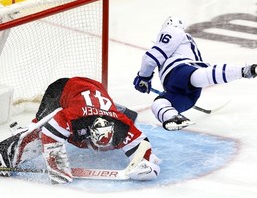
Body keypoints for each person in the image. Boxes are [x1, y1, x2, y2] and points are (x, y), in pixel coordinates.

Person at [0, 77, 161, 184]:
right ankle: (4, 155)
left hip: (96, 90)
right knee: (39, 130)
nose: (100, 149)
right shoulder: (76, 118)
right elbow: (49, 133)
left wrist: (146, 165)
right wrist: (58, 169)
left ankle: (119, 108)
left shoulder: (121, 125)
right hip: (62, 90)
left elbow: (143, 148)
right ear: (90, 131)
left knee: (130, 118)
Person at [133, 16, 257, 131]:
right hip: (188, 93)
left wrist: (143, 77)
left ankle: (241, 71)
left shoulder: (172, 31)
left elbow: (150, 59)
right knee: (160, 103)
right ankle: (174, 117)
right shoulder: (187, 41)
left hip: (179, 73)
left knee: (195, 77)